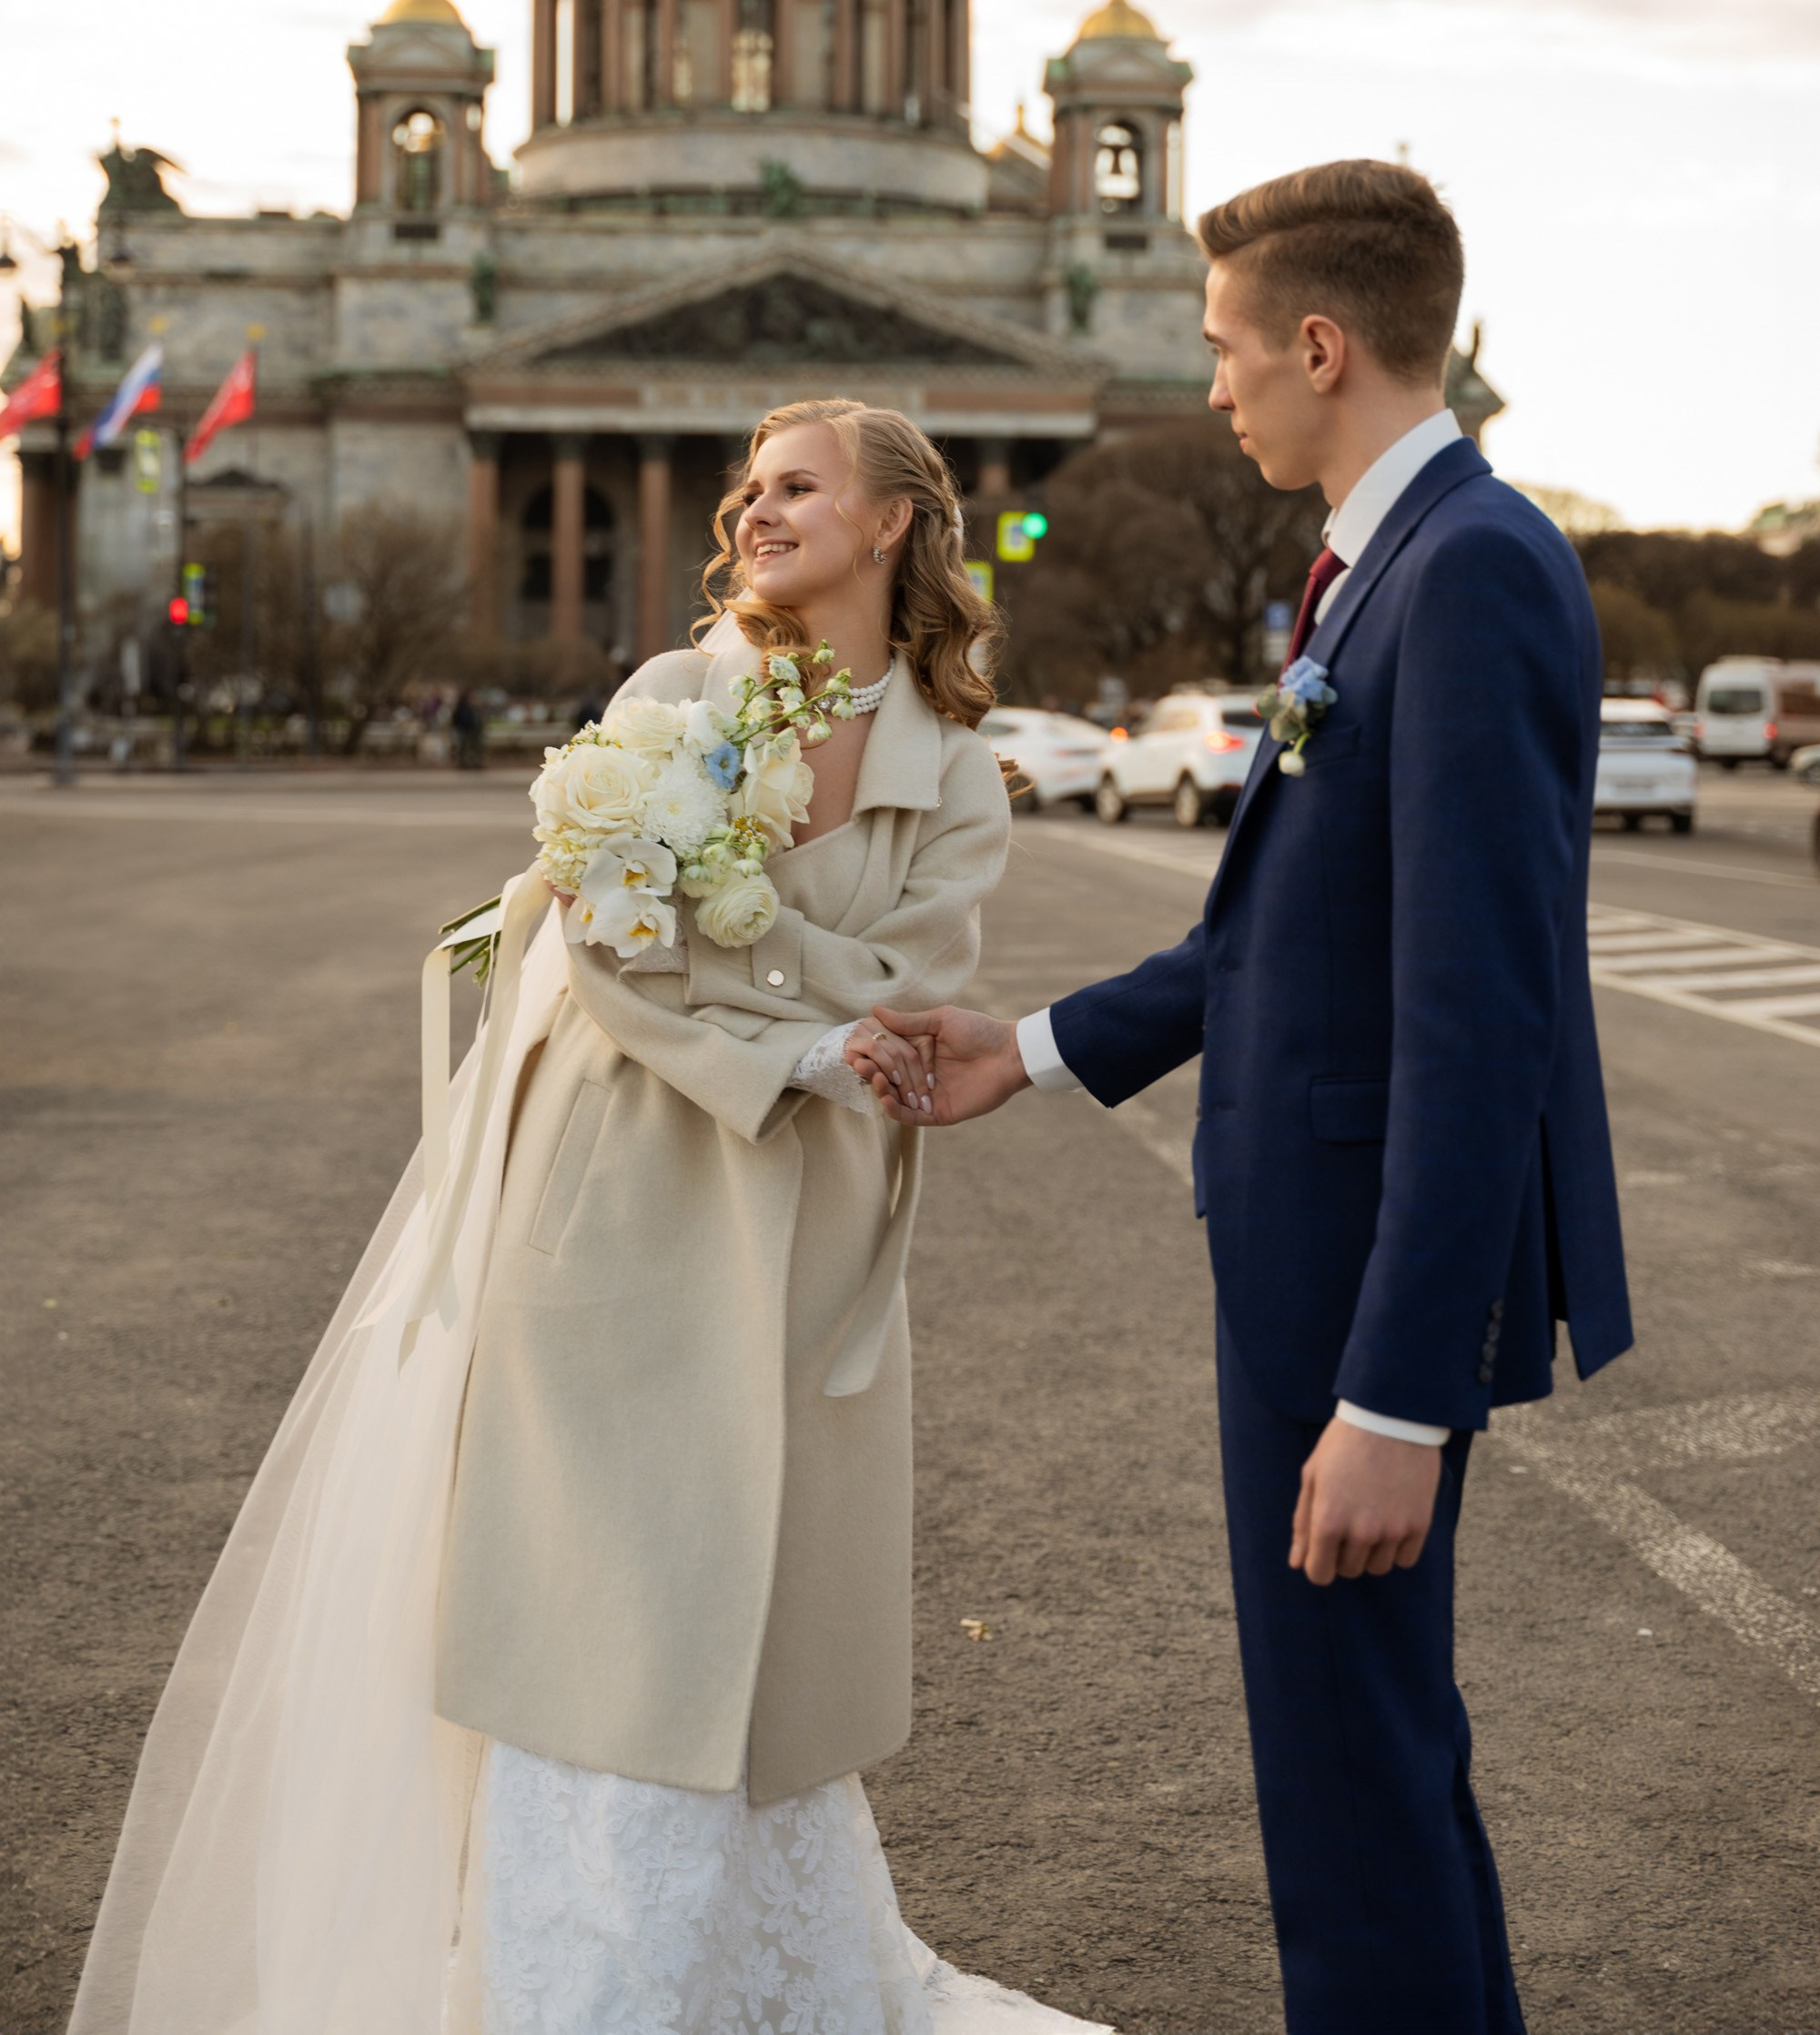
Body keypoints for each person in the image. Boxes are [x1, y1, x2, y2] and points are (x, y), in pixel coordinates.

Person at [69, 399, 1108, 2035]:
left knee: (761, 1618)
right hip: (617, 1191)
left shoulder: (958, 771)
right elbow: (619, 960)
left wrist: (736, 952)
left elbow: (912, 984)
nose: (755, 510)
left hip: (809, 1231)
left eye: (799, 486)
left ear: (894, 519)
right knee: (599, 1606)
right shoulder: (670, 698)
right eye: (748, 488)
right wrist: (800, 1035)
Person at [852, 161, 1633, 2035]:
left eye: (1225, 350)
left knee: (1354, 1778)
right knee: (1367, 1758)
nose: (1211, 389)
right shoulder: (1387, 561)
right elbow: (1280, 934)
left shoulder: (1469, 568)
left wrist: (1399, 1391)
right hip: (1312, 1260)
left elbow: (1478, 1017)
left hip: (1356, 1295)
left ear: (1320, 344)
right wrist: (1036, 1046)